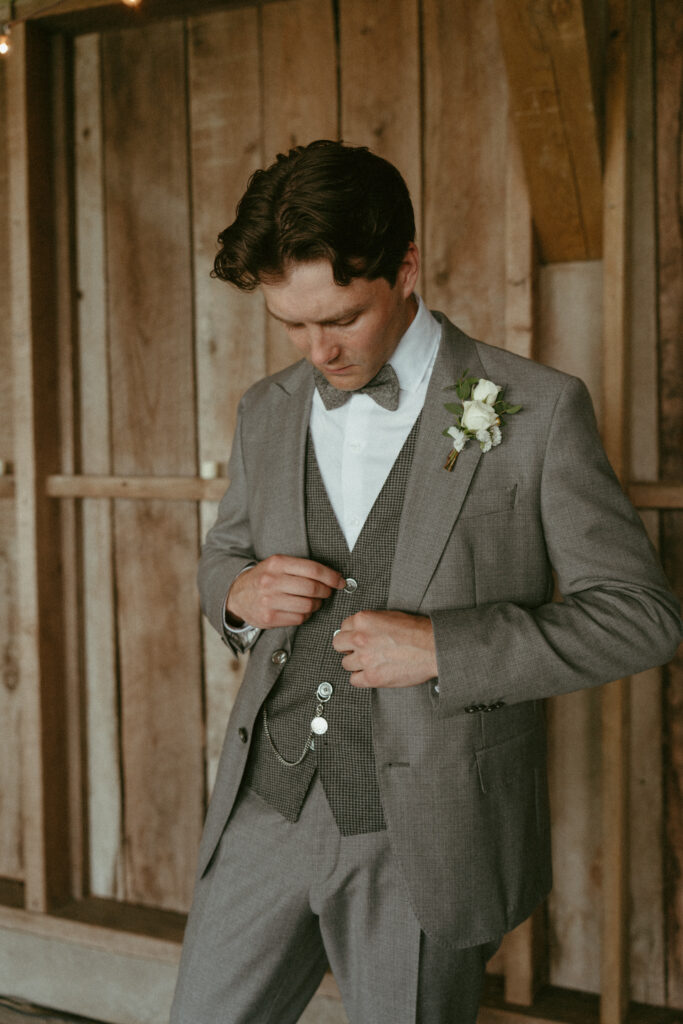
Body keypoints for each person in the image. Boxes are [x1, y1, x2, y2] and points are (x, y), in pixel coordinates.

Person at [171, 140, 681, 1024]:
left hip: (426, 832)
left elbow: (642, 617)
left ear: (406, 268)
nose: (317, 349)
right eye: (290, 324)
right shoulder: (268, 407)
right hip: (266, 802)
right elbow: (226, 554)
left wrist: (447, 646)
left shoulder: (537, 408)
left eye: (340, 317)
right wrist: (237, 594)